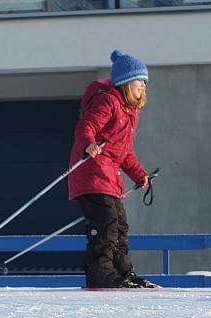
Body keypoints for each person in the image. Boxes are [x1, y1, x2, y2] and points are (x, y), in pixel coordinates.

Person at [68, 50, 157, 289]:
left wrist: (140, 174)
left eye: (145, 83)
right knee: (106, 223)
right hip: (91, 175)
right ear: (127, 82)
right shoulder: (107, 101)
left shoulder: (130, 113)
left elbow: (124, 152)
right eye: (140, 81)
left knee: (119, 225)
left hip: (109, 178)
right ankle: (101, 274)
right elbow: (85, 126)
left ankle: (124, 273)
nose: (143, 87)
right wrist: (89, 144)